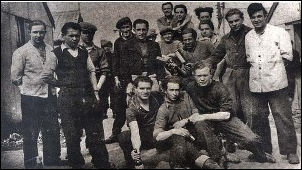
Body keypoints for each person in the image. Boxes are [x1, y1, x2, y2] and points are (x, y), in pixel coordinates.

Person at [41, 22, 110, 168]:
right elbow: (46, 76)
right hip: (68, 100)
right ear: (63, 36)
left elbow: (92, 71)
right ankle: (76, 163)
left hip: (87, 97)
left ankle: (101, 162)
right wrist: (61, 84)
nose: (74, 39)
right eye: (71, 36)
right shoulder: (56, 53)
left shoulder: (84, 52)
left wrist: (96, 91)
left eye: (77, 36)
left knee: (94, 132)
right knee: (72, 135)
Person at [186, 62, 276, 164]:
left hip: (224, 119)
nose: (202, 79)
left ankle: (260, 155)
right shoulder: (190, 87)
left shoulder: (220, 88)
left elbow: (226, 114)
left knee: (251, 139)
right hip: (205, 121)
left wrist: (203, 116)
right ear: (194, 76)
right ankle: (220, 157)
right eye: (199, 76)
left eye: (205, 75)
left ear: (211, 74)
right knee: (201, 126)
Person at [245, 3, 299, 164]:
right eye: (253, 17)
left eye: (259, 16)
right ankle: (264, 151)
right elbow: (249, 59)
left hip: (277, 83)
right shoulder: (249, 36)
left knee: (283, 117)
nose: (256, 20)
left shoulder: (279, 32)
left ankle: (289, 151)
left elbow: (288, 56)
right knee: (258, 118)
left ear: (265, 16)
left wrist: (275, 73)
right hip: (256, 85)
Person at [11, 20, 63, 168]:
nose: (38, 35)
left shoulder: (50, 50)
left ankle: (52, 159)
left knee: (51, 129)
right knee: (31, 132)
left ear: (45, 33)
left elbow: (54, 71)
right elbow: (15, 77)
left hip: (49, 97)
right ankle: (32, 162)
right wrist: (26, 89)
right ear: (29, 32)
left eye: (41, 32)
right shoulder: (21, 52)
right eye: (35, 32)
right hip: (30, 98)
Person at [153, 76, 224, 169]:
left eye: (177, 90)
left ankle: (217, 157)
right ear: (165, 90)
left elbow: (196, 114)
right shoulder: (163, 109)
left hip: (193, 134)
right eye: (171, 90)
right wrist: (173, 131)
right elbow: (157, 135)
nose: (175, 93)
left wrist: (185, 120)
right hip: (178, 140)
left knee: (201, 123)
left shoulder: (185, 96)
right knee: (181, 140)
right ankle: (209, 164)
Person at [118, 76, 164, 168]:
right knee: (124, 136)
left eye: (148, 88)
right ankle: (134, 163)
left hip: (159, 130)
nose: (145, 91)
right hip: (144, 134)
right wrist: (136, 152)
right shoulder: (131, 108)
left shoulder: (156, 96)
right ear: (135, 89)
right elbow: (135, 132)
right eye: (142, 88)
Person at [106, 17, 135, 144]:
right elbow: (115, 62)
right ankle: (115, 133)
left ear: (131, 27)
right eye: (123, 28)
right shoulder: (117, 42)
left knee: (134, 106)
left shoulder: (136, 40)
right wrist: (116, 77)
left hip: (134, 78)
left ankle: (135, 133)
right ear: (120, 30)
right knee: (120, 107)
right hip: (122, 79)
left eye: (127, 27)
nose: (126, 30)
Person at [79, 22, 110, 123]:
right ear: (80, 33)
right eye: (85, 33)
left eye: (90, 33)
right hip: (80, 86)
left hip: (96, 86)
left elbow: (104, 71)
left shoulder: (99, 51)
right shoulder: (76, 49)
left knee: (96, 117)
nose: (88, 35)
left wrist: (97, 87)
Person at [100, 39, 116, 119]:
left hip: (112, 78)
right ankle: (104, 111)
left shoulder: (113, 56)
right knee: (104, 96)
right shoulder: (102, 56)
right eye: (104, 47)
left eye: (108, 46)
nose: (106, 48)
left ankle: (114, 111)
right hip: (104, 78)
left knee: (114, 95)